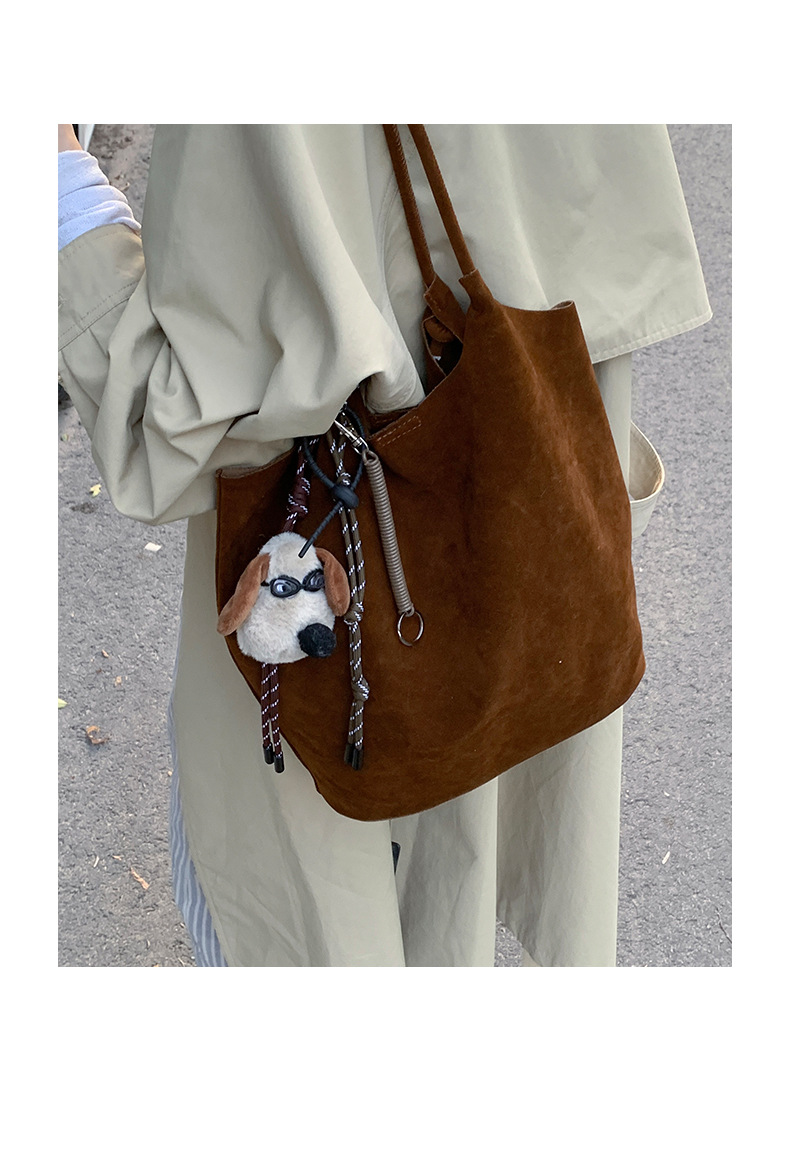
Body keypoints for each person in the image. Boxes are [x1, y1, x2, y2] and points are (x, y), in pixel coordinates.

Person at [58, 123, 711, 967]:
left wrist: (61, 186)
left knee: (321, 899)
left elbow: (179, 415)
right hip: (541, 450)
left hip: (326, 497)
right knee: (457, 849)